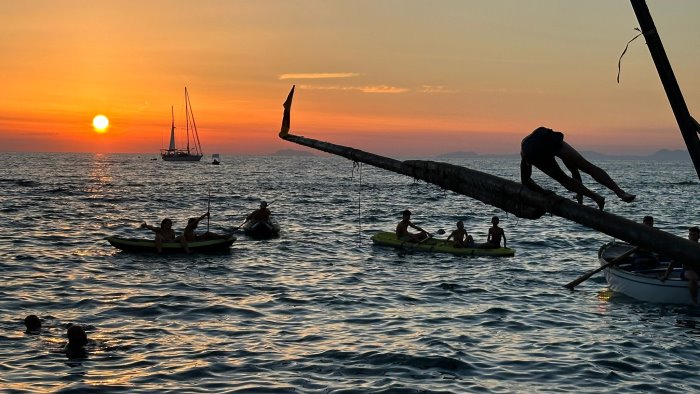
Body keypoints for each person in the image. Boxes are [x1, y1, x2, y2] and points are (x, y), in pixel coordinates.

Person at [520, 127, 636, 210]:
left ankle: (596, 197)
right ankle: (621, 193)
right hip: (543, 136)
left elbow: (525, 180)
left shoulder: (526, 155)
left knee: (564, 179)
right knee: (587, 166)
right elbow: (574, 171)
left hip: (533, 148)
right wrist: (579, 193)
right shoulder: (537, 148)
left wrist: (544, 192)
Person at [661, 226, 700, 305]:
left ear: (698, 236)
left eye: (694, 235)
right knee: (693, 278)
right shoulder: (684, 247)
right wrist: (666, 275)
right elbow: (673, 262)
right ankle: (694, 301)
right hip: (686, 271)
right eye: (690, 234)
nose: (691, 237)